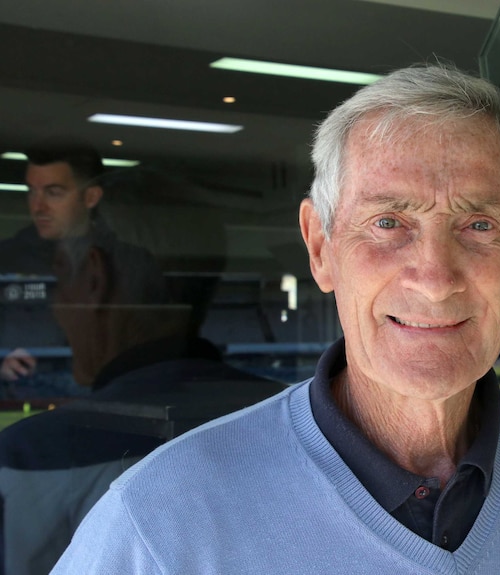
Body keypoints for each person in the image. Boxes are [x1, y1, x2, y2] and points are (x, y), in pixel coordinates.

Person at [51, 64, 500, 574]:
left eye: (478, 225)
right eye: (388, 223)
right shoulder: (161, 516)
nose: (434, 279)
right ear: (320, 247)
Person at [0, 172, 286, 575]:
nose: (56, 306)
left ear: (96, 277)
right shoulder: (303, 424)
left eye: (63, 277)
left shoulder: (30, 456)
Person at [0, 138, 105, 384]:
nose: (38, 206)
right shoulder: (5, 259)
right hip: (22, 399)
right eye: (32, 191)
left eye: (53, 192)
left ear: (90, 197)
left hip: (106, 402)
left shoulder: (126, 263)